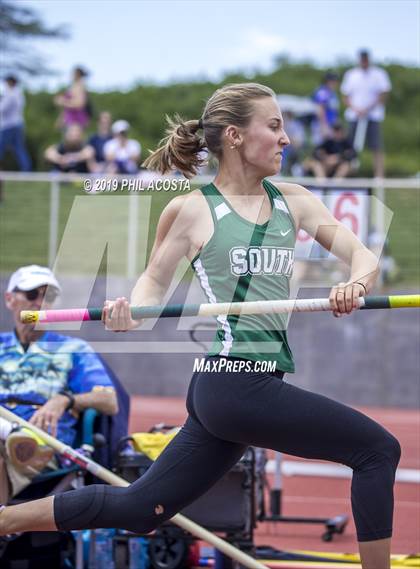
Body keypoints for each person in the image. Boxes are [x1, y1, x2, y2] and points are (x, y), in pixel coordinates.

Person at [0, 84, 400, 569]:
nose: (286, 139)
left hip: (240, 389)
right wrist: (132, 310)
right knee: (378, 450)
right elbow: (153, 282)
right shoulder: (192, 209)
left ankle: (4, 520)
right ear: (234, 135)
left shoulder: (294, 201)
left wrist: (355, 284)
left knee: (140, 509)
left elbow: (361, 255)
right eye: (273, 126)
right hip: (233, 383)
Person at [0, 265, 118, 503]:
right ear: (10, 299)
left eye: (48, 296)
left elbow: (110, 400)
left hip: (45, 443)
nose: (40, 302)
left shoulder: (74, 349)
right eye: (33, 294)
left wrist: (66, 399)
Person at [341, 50, 391, 178]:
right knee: (350, 147)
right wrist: (356, 109)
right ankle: (347, 173)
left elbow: (384, 94)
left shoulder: (379, 74)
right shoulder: (351, 74)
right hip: (354, 116)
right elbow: (345, 96)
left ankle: (379, 175)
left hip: (373, 116)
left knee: (376, 146)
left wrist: (368, 108)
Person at [0, 75, 31, 171]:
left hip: (8, 126)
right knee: (19, 148)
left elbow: (2, 109)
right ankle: (26, 170)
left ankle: (26, 170)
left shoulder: (10, 94)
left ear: (10, 82)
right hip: (18, 124)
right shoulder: (19, 93)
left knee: (1, 147)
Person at [311, 71, 340, 143]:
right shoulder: (322, 92)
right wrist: (324, 126)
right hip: (322, 125)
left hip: (331, 125)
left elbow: (334, 111)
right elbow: (320, 109)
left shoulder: (332, 93)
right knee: (321, 148)